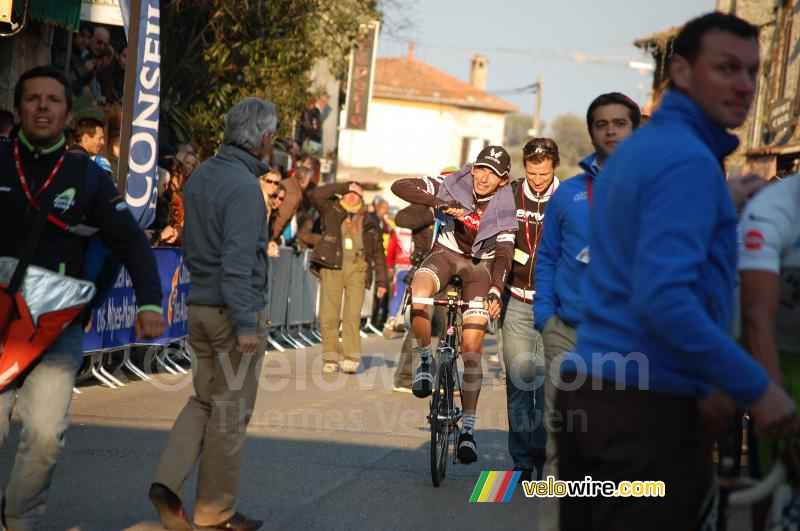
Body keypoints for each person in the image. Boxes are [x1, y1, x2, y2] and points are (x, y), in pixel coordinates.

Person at [554, 13, 797, 530]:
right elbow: (663, 301)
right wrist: (760, 388)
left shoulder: (645, 150)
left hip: (596, 390)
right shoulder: (686, 160)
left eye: (754, 71)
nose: (745, 85)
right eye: (726, 68)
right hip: (642, 409)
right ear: (681, 72)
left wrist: (722, 198)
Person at [0, 65, 164, 531]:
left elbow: (130, 241)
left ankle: (18, 519)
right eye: (33, 99)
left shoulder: (87, 176)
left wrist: (150, 302)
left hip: (56, 332)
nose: (43, 107)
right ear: (18, 109)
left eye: (53, 99)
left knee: (46, 436)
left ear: (68, 113)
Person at [149, 97, 277, 531]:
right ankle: (215, 513)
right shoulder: (244, 189)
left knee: (203, 400)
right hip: (231, 312)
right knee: (229, 414)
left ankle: (166, 483)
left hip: (201, 305)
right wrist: (245, 324)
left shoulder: (202, 175)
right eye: (272, 136)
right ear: (263, 139)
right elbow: (238, 260)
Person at [532, 91, 640, 531]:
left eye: (620, 122)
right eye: (602, 123)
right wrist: (545, 317)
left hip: (631, 339)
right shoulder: (569, 195)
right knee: (563, 443)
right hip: (567, 332)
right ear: (591, 131)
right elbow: (548, 258)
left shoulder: (656, 190)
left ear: (635, 129)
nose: (611, 130)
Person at [391, 145, 517, 464]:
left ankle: (468, 432)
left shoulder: (506, 206)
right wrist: (442, 203)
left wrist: (496, 290)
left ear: (504, 181)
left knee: (472, 348)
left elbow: (503, 255)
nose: (484, 177)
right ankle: (423, 362)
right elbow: (400, 186)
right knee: (420, 292)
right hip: (445, 255)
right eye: (481, 169)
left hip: (480, 267)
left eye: (494, 174)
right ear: (473, 167)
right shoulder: (453, 182)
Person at [739, 174, 800, 530]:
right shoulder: (772, 207)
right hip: (775, 351)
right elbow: (757, 315)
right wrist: (769, 401)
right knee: (772, 468)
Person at [499, 138, 561, 483]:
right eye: (532, 172)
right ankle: (521, 460)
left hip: (553, 305)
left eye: (544, 173)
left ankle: (542, 450)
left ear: (554, 167)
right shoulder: (510, 193)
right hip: (517, 302)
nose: (537, 180)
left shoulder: (566, 197)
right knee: (521, 382)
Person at [309, 181, 388, 374]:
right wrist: (343, 186)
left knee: (352, 315)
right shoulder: (331, 209)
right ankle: (330, 357)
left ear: (362, 197)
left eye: (356, 193)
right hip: (332, 266)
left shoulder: (369, 219)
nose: (351, 196)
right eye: (348, 193)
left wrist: (382, 281)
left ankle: (351, 358)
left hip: (358, 268)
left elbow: (378, 251)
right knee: (329, 314)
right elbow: (315, 195)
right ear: (342, 194)